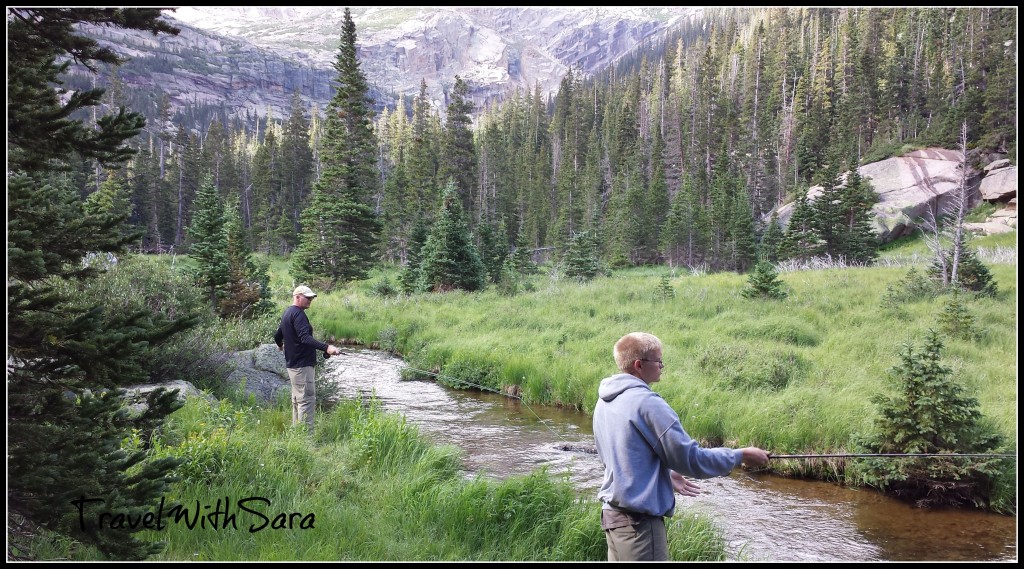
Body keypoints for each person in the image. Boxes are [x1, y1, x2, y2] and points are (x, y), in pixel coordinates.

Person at [592, 332, 770, 561]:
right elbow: (692, 459)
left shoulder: (605, 400)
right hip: (639, 525)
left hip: (613, 518)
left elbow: (622, 457)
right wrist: (740, 455)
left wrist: (664, 475)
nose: (662, 366)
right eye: (658, 361)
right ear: (639, 365)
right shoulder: (648, 404)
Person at [274, 285, 342, 431]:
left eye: (311, 298)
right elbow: (305, 338)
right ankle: (306, 439)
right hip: (302, 367)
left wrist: (280, 346)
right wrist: (327, 348)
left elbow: (278, 335)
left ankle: (297, 435)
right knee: (306, 400)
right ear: (297, 297)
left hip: (293, 365)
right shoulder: (298, 314)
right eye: (308, 297)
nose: (310, 300)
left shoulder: (287, 313)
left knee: (297, 401)